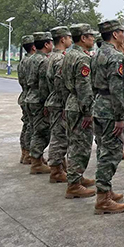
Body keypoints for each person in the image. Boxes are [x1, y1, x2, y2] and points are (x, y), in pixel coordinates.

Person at [91, 19, 124, 215]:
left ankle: (105, 190)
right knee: (112, 152)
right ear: (115, 34)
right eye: (122, 31)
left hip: (99, 106)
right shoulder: (114, 57)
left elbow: (92, 83)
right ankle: (103, 197)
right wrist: (119, 117)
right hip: (109, 110)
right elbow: (117, 90)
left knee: (103, 149)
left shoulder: (97, 54)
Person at [62, 24, 97, 198]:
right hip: (79, 106)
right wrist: (88, 112)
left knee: (74, 142)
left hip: (71, 102)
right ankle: (74, 184)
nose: (93, 39)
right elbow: (84, 88)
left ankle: (77, 177)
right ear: (83, 38)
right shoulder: (82, 59)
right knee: (80, 145)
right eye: (90, 36)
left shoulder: (69, 55)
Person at [45, 26, 73, 183]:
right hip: (59, 103)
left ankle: (60, 166)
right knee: (59, 137)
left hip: (53, 100)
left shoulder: (51, 57)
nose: (70, 40)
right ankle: (56, 170)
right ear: (63, 39)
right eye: (68, 37)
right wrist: (64, 104)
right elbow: (61, 84)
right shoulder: (60, 59)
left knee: (58, 134)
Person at [25, 32, 54, 174]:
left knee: (36, 128)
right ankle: (36, 161)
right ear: (46, 44)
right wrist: (46, 103)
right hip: (38, 99)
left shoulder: (30, 59)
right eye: (51, 42)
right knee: (42, 131)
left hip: (30, 96)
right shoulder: (44, 61)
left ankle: (37, 158)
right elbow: (44, 85)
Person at [18, 35, 36, 165]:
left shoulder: (23, 61)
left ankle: (24, 152)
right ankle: (29, 154)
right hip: (32, 95)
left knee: (26, 125)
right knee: (32, 126)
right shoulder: (32, 61)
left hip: (24, 95)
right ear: (34, 47)